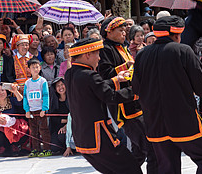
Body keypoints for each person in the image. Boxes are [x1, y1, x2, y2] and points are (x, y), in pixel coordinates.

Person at [132, 15, 202, 174]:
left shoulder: (143, 54)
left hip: (155, 122)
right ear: (177, 34)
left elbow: (136, 88)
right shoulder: (183, 50)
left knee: (167, 167)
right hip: (183, 121)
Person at [64, 38, 142, 174]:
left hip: (83, 138)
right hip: (100, 137)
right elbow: (111, 97)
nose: (99, 58)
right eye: (97, 54)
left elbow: (94, 88)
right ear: (87, 55)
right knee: (131, 167)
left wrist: (115, 79)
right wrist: (136, 91)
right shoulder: (90, 75)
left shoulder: (70, 73)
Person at [97, 16, 154, 172]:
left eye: (125, 30)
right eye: (120, 31)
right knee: (148, 146)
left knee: (140, 150)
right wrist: (125, 67)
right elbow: (104, 75)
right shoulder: (105, 49)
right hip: (124, 107)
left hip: (135, 101)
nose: (124, 33)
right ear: (109, 32)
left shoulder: (123, 47)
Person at [0, 84, 27, 156]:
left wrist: (15, 92)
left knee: (24, 128)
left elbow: (22, 103)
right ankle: (2, 148)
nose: (1, 93)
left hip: (14, 129)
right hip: (2, 131)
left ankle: (15, 146)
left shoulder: (12, 100)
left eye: (3, 90)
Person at [23, 59, 51, 157]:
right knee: (33, 131)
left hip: (41, 110)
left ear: (40, 68)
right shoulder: (27, 83)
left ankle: (47, 148)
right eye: (33, 67)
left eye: (37, 67)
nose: (35, 69)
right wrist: (27, 110)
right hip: (31, 111)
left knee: (43, 129)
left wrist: (44, 109)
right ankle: (35, 149)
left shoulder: (43, 81)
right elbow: (25, 97)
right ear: (29, 69)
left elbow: (46, 95)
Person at [48, 78, 69, 155]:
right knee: (54, 147)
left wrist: (67, 124)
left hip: (72, 126)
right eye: (58, 86)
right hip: (58, 127)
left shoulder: (72, 98)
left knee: (62, 135)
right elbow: (53, 118)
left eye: (62, 84)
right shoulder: (54, 100)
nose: (60, 87)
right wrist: (63, 121)